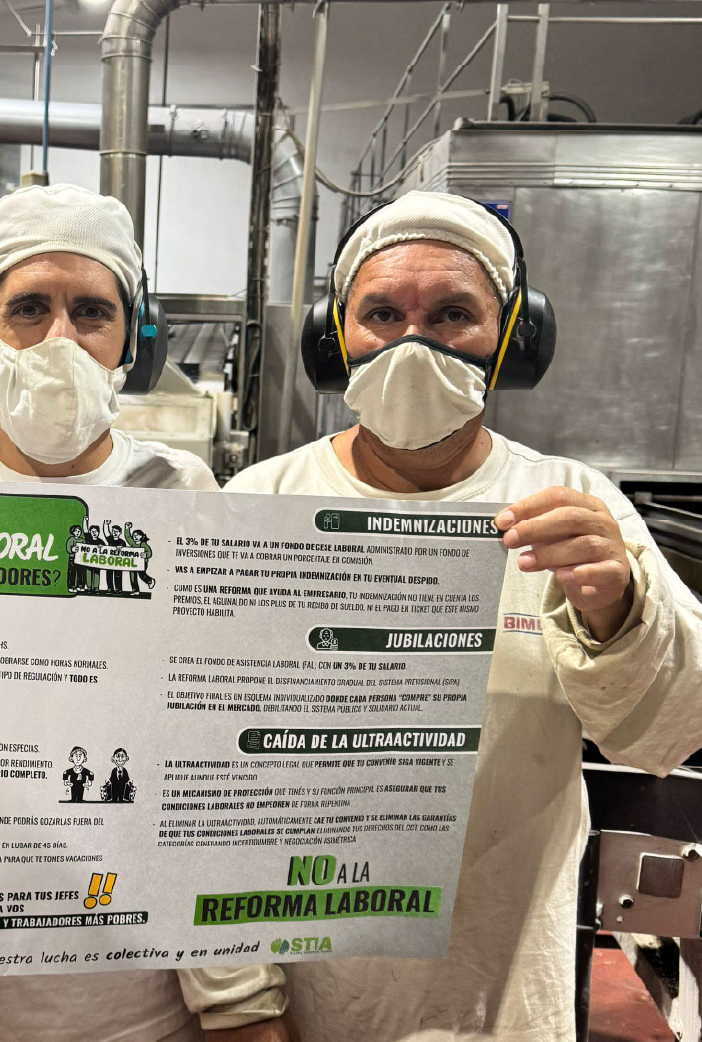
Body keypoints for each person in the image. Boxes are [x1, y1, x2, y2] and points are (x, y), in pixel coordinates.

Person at [226, 190, 702, 1041]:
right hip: (306, 993)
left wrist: (620, 611)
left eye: (452, 314)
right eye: (382, 314)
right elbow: (199, 778)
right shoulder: (260, 502)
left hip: (502, 997)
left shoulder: (572, 504)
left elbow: (664, 738)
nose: (414, 343)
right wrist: (239, 1001)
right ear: (335, 335)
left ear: (513, 336)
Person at [0, 183, 299, 1042]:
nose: (60, 337)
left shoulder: (181, 490)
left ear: (135, 337)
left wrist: (238, 995)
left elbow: (205, 754)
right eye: (29, 308)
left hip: (130, 999)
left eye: (91, 311)